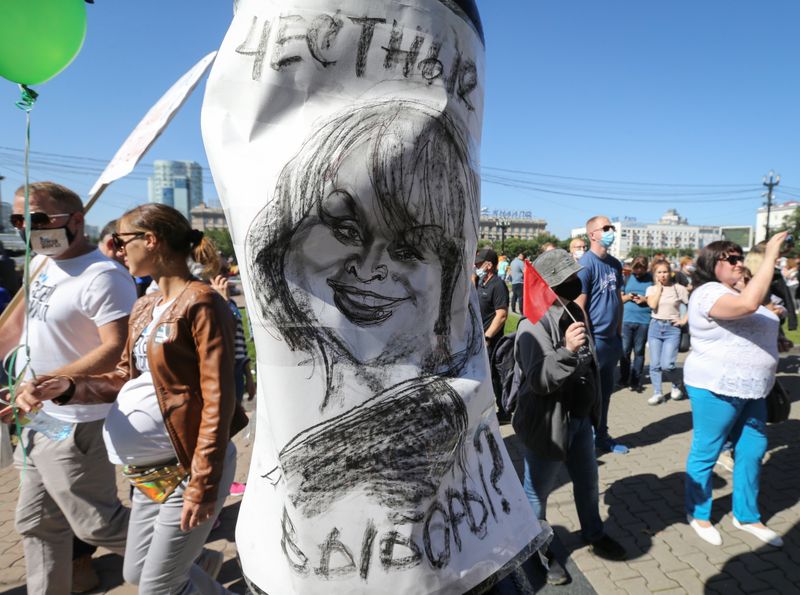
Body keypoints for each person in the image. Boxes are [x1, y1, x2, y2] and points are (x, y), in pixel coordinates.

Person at [8, 203, 249, 592]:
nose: (118, 249)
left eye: (122, 240)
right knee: (135, 574)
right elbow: (124, 377)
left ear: (150, 241)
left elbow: (217, 398)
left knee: (158, 587)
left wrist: (204, 482)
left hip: (186, 467)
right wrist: (68, 387)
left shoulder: (201, 302)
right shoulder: (146, 305)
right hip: (148, 473)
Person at [0, 182, 136, 594]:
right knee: (36, 522)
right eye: (19, 220)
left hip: (79, 421)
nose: (28, 228)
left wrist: (51, 383)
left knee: (96, 523)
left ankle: (190, 556)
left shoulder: (104, 276)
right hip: (36, 417)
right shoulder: (42, 265)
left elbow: (116, 349)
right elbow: (13, 326)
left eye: (39, 219)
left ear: (75, 220)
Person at [514, 249, 626, 585]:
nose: (576, 280)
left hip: (580, 422)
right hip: (547, 426)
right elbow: (539, 380)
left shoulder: (574, 309)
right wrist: (566, 351)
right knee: (536, 494)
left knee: (588, 482)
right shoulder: (531, 325)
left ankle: (593, 533)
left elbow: (588, 363)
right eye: (567, 276)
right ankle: (536, 552)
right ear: (550, 284)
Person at [683, 233, 787, 547]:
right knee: (707, 451)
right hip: (717, 386)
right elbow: (747, 305)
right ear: (712, 264)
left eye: (741, 258)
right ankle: (698, 513)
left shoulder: (734, 289)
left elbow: (753, 316)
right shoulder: (707, 293)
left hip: (755, 389)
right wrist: (770, 254)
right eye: (732, 259)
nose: (739, 264)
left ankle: (747, 515)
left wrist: (777, 341)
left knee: (753, 451)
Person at [575, 216, 628, 454]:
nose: (610, 231)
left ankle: (602, 436)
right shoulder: (586, 264)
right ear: (592, 234)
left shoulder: (615, 264)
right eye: (605, 228)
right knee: (589, 395)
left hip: (611, 341)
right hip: (594, 340)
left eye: (611, 228)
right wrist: (589, 340)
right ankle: (584, 441)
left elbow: (617, 298)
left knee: (606, 393)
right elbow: (579, 307)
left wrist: (617, 332)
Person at [645, 259, 689, 405]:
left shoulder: (679, 289)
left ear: (670, 273)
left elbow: (692, 305)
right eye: (659, 272)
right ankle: (657, 392)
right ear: (654, 274)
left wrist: (683, 321)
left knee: (667, 365)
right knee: (655, 364)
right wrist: (659, 289)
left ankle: (677, 384)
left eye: (665, 272)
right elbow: (652, 305)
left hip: (672, 328)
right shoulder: (651, 289)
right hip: (655, 326)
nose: (662, 275)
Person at [619, 256, 652, 391]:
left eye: (641, 270)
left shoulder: (652, 279)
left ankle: (635, 380)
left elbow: (656, 299)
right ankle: (623, 378)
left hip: (643, 321)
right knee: (625, 351)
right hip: (626, 319)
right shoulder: (626, 277)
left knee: (639, 351)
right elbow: (619, 299)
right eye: (636, 270)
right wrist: (628, 297)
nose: (638, 273)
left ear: (646, 268)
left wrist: (645, 299)